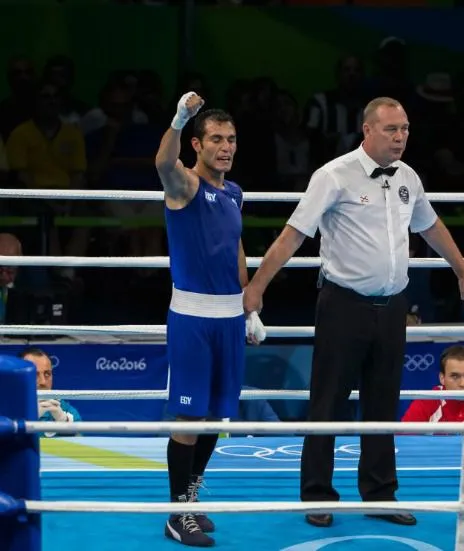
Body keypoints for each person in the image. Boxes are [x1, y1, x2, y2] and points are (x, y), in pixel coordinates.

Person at [242, 96, 464, 528]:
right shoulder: (333, 175)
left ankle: (379, 492)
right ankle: (316, 494)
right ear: (367, 130)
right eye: (392, 129)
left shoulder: (409, 176)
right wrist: (257, 286)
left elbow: (430, 226)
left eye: (406, 129)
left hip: (393, 308)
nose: (401, 137)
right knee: (327, 402)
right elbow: (294, 234)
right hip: (343, 306)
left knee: (382, 401)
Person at [154, 91, 266, 547]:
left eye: (232, 139)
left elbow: (236, 250)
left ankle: (192, 499)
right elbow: (164, 164)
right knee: (189, 416)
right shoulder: (186, 186)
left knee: (216, 415)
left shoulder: (234, 193)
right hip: (193, 319)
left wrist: (249, 307)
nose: (226, 146)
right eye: (217, 138)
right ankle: (177, 513)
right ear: (197, 145)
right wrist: (180, 118)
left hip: (227, 318)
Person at [401, 344, 464, 424]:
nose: (462, 384)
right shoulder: (426, 403)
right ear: (442, 378)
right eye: (455, 376)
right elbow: (402, 441)